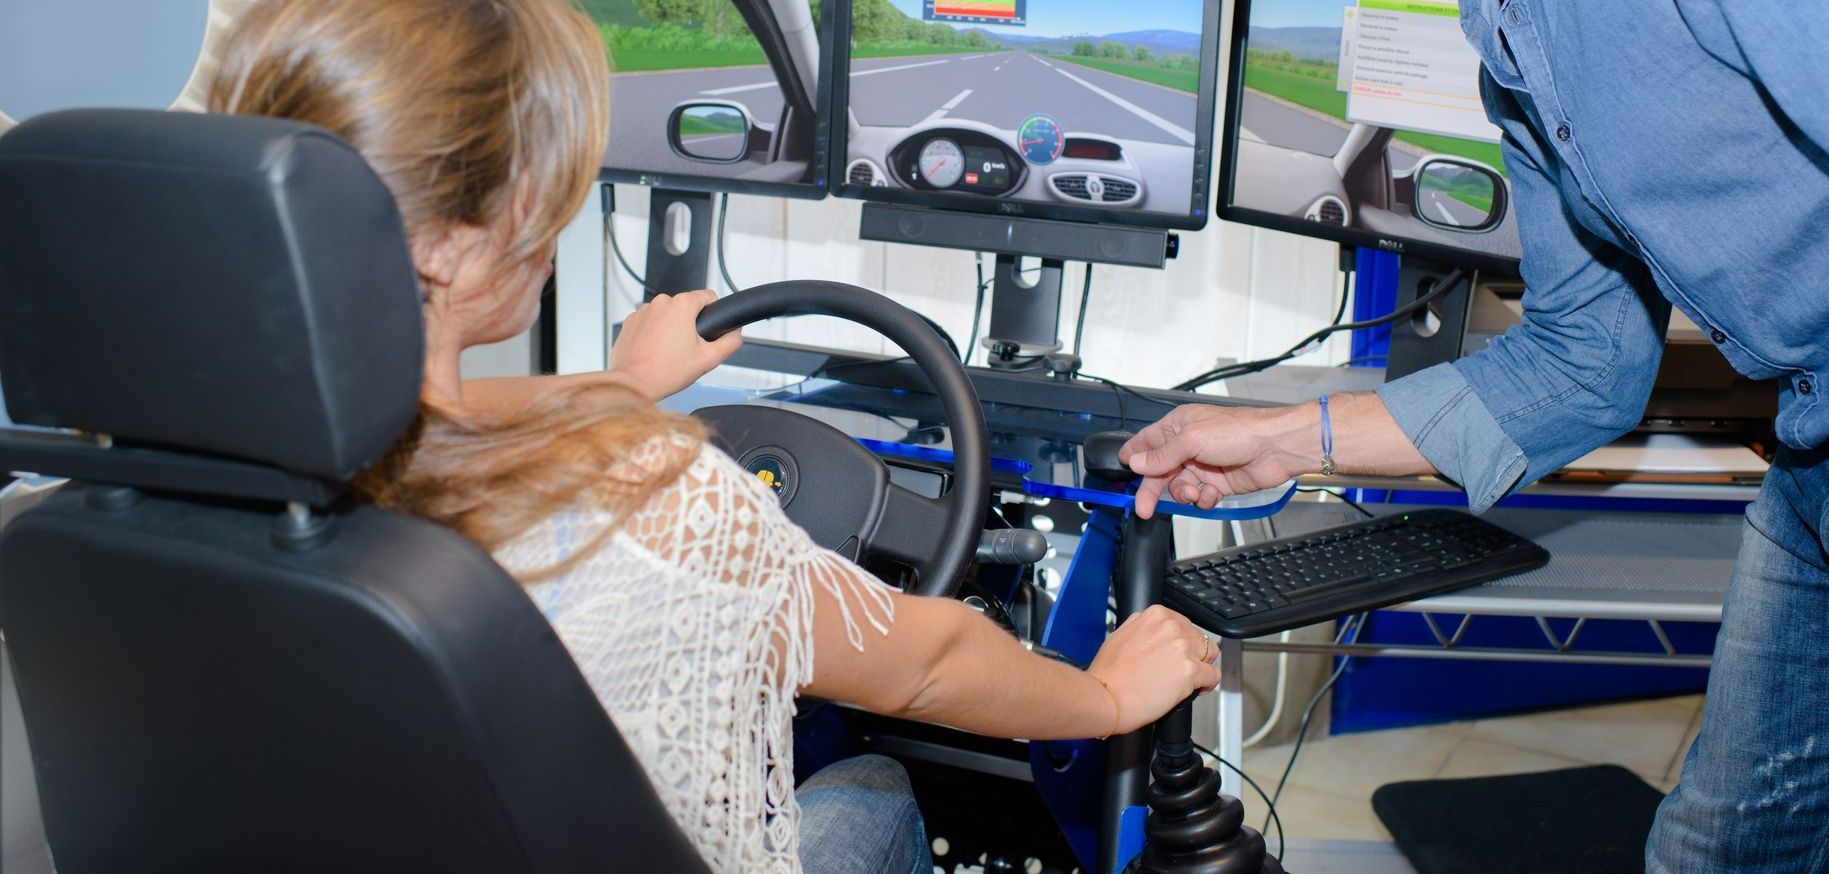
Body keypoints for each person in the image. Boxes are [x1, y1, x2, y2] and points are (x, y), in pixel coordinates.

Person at [207, 1, 1222, 872]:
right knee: (872, 783)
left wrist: (618, 384)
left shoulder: (191, 451)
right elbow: (922, 662)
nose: (557, 207)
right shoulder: (653, 499)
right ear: (444, 238)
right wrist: (1102, 690)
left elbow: (441, 424)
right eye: (545, 175)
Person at [1123, 3, 1829, 871]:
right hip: (1811, 465)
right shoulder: (1509, 48)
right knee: (1717, 850)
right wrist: (1284, 441)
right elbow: (1582, 364)